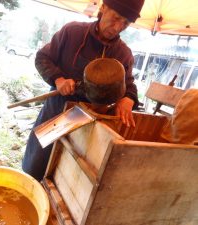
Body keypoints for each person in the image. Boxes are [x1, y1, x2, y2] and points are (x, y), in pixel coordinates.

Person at [23, 0, 145, 181]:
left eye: (126, 23)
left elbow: (129, 84)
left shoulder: (123, 54)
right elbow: (43, 58)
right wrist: (59, 79)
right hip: (57, 112)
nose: (118, 27)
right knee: (36, 166)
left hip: (90, 122)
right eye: (116, 18)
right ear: (103, 7)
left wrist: (128, 98)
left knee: (69, 176)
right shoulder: (72, 33)